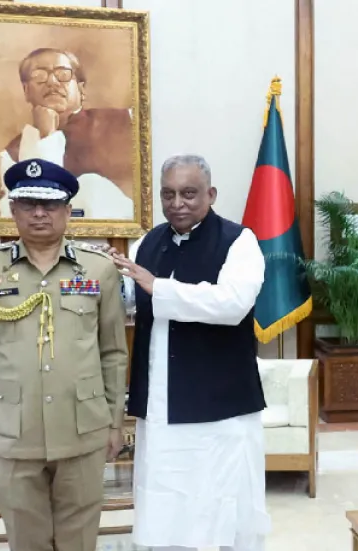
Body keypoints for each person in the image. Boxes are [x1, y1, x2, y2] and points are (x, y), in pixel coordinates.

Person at [0, 158, 128, 551]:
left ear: (67, 211)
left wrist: (114, 423)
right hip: (11, 429)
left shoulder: (99, 268)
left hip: (82, 425)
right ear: (13, 210)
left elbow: (113, 352)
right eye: (28, 204)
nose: (40, 213)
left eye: (50, 204)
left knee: (79, 537)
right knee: (26, 538)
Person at [111, 154, 271, 551]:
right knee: (165, 501)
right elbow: (132, 300)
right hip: (162, 403)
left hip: (220, 408)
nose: (177, 203)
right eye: (168, 194)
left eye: (188, 193)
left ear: (211, 194)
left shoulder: (239, 241)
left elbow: (233, 304)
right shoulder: (149, 241)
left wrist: (158, 287)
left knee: (219, 504)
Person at [0, 48, 134, 220]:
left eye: (63, 73)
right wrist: (47, 135)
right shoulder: (12, 154)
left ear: (81, 89)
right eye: (39, 75)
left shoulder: (127, 121)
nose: (52, 82)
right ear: (26, 91)